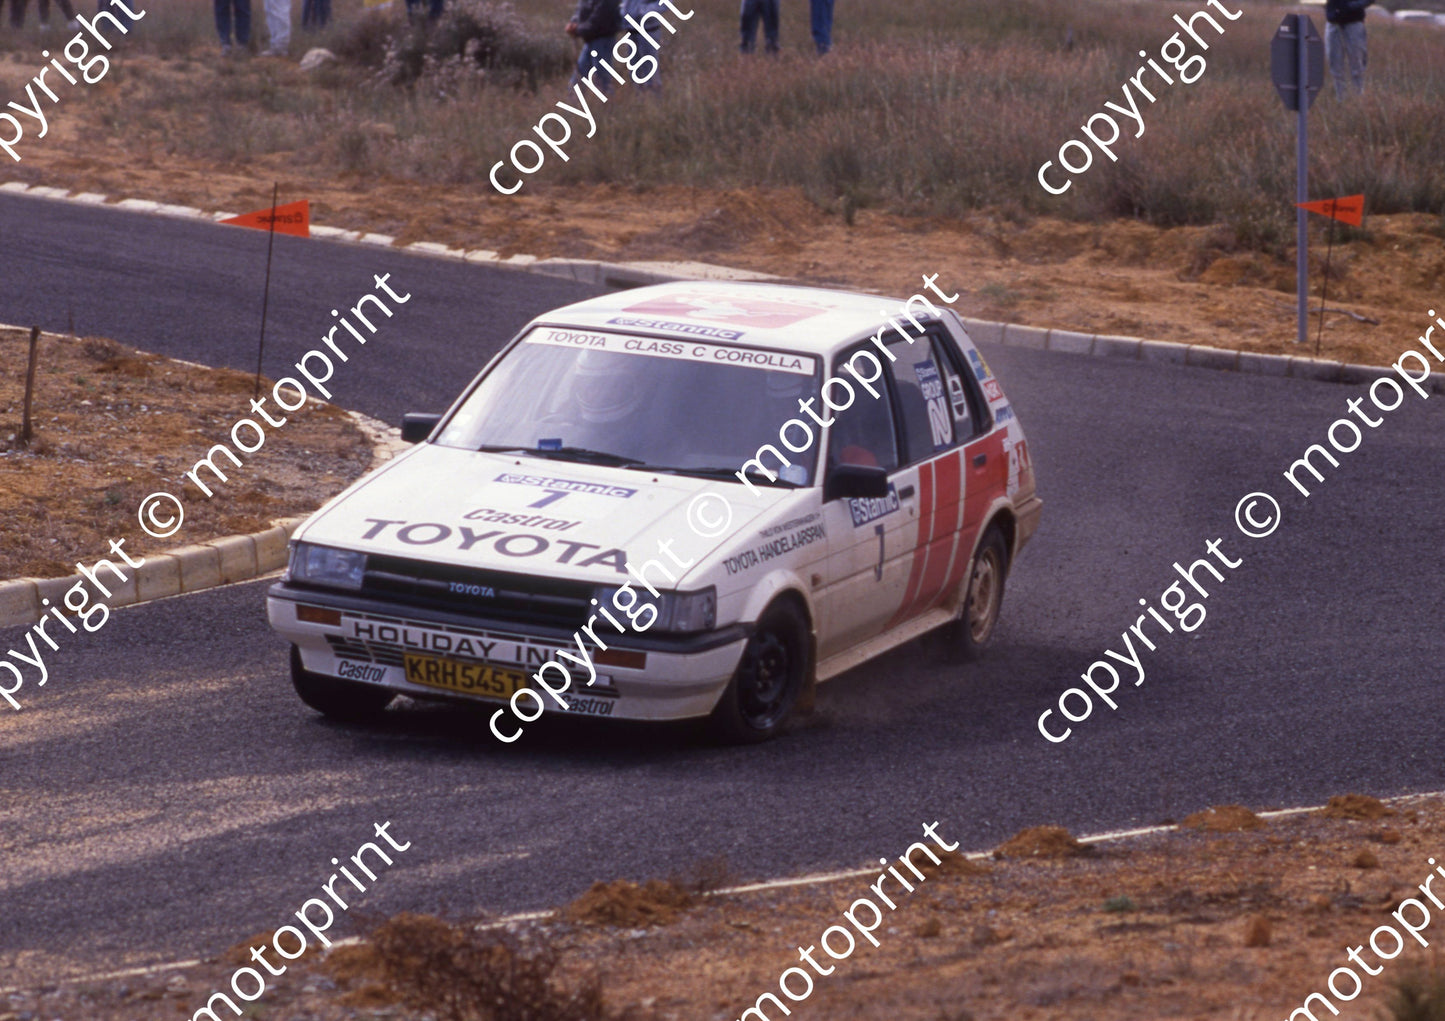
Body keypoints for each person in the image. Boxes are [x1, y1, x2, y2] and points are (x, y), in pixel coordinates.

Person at [566, 0, 622, 92]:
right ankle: (574, 103)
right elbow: (581, 8)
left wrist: (578, 29)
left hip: (604, 39)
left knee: (602, 80)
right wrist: (573, 23)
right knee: (578, 78)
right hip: (591, 39)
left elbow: (600, 17)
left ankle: (609, 105)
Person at [1325, 0, 1372, 97]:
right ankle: (1340, 97)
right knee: (1334, 62)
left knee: (1357, 62)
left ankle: (1358, 97)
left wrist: (1349, 6)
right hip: (1333, 21)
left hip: (1353, 22)